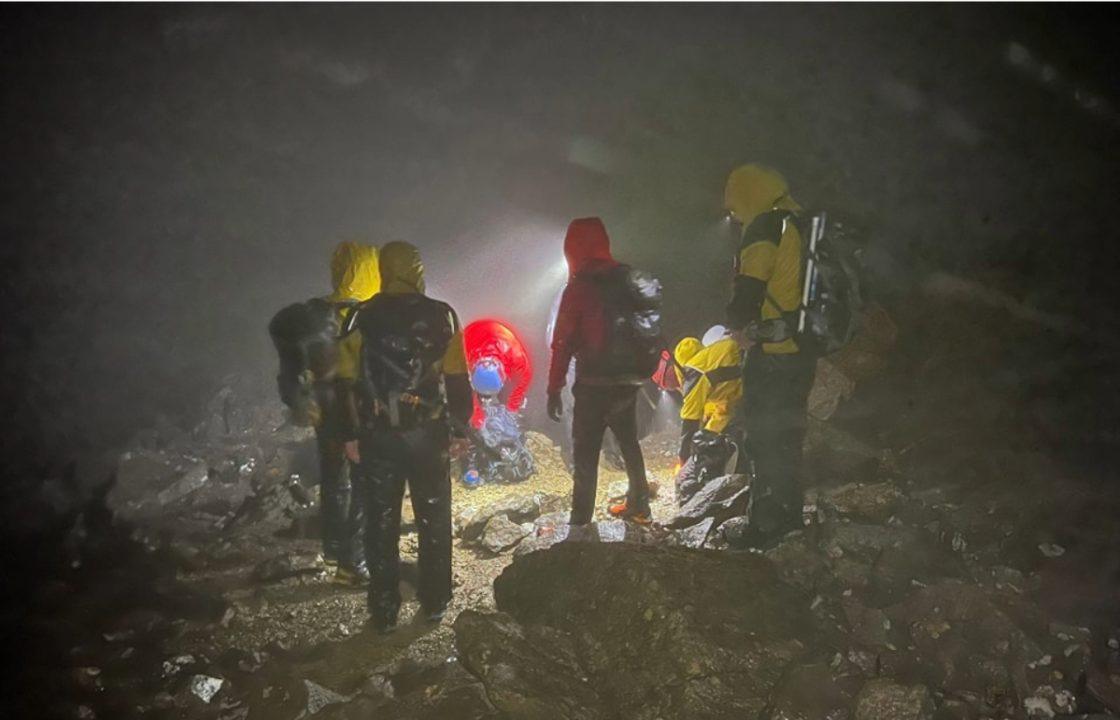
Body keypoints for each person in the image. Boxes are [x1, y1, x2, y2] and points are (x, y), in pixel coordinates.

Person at [351, 241, 471, 633]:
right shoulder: (442, 316)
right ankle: (435, 600)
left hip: (378, 432)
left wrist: (348, 433)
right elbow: (456, 376)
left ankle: (384, 607)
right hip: (427, 432)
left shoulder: (361, 316)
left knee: (380, 519)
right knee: (433, 516)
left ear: (384, 269)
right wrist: (460, 428)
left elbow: (348, 380)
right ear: (417, 270)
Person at [268, 241, 379, 585]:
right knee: (364, 484)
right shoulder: (369, 315)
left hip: (323, 411)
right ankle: (353, 564)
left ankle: (333, 547)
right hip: (356, 412)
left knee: (334, 479)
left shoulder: (318, 313)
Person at [723, 163, 816, 540]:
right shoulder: (798, 222)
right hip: (801, 350)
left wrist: (737, 321)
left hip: (773, 351)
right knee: (789, 436)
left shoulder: (764, 226)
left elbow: (748, 294)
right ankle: (790, 517)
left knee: (764, 437)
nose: (731, 212)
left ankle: (765, 526)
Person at [547, 217, 652, 526]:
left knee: (586, 453)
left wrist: (554, 388)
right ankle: (640, 505)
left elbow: (563, 343)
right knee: (629, 443)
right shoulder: (629, 280)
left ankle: (580, 521)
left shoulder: (579, 287)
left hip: (593, 382)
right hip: (628, 381)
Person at [673, 326, 743, 465]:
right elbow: (725, 402)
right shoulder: (713, 358)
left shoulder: (694, 374)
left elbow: (689, 421)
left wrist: (684, 458)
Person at [463, 319, 532, 428]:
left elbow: (525, 378)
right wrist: (475, 410)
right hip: (472, 333)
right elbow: (461, 384)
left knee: (506, 396)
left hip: (501, 334)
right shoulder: (462, 351)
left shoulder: (516, 356)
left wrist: (513, 406)